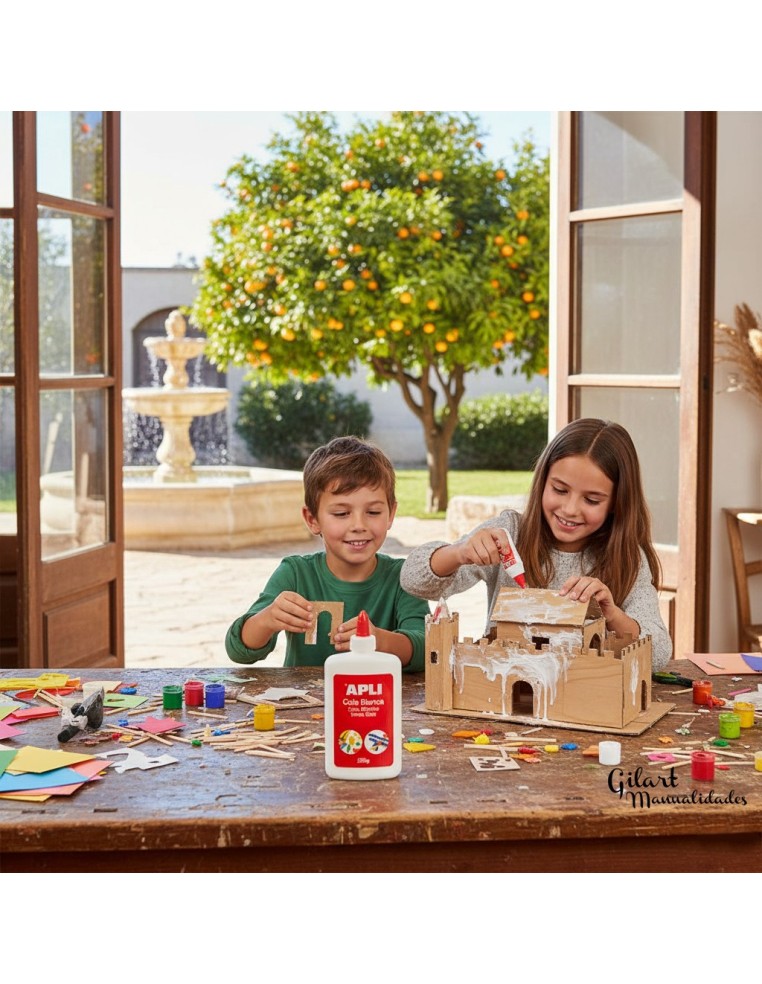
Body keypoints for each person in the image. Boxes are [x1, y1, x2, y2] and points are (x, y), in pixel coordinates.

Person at [400, 417, 673, 669]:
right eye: (559, 490)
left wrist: (612, 616)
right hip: (504, 695)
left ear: (617, 502)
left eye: (591, 500)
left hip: (584, 702)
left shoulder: (627, 558)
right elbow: (413, 580)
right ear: (543, 481)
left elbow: (659, 655)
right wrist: (459, 553)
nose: (570, 509)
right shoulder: (510, 534)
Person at [225, 436, 429, 670]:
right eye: (342, 514)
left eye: (373, 512)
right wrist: (267, 619)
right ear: (312, 520)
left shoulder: (404, 578)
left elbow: (428, 649)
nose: (358, 525)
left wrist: (379, 640)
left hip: (374, 703)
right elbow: (238, 650)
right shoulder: (295, 573)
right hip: (305, 706)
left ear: (391, 513)